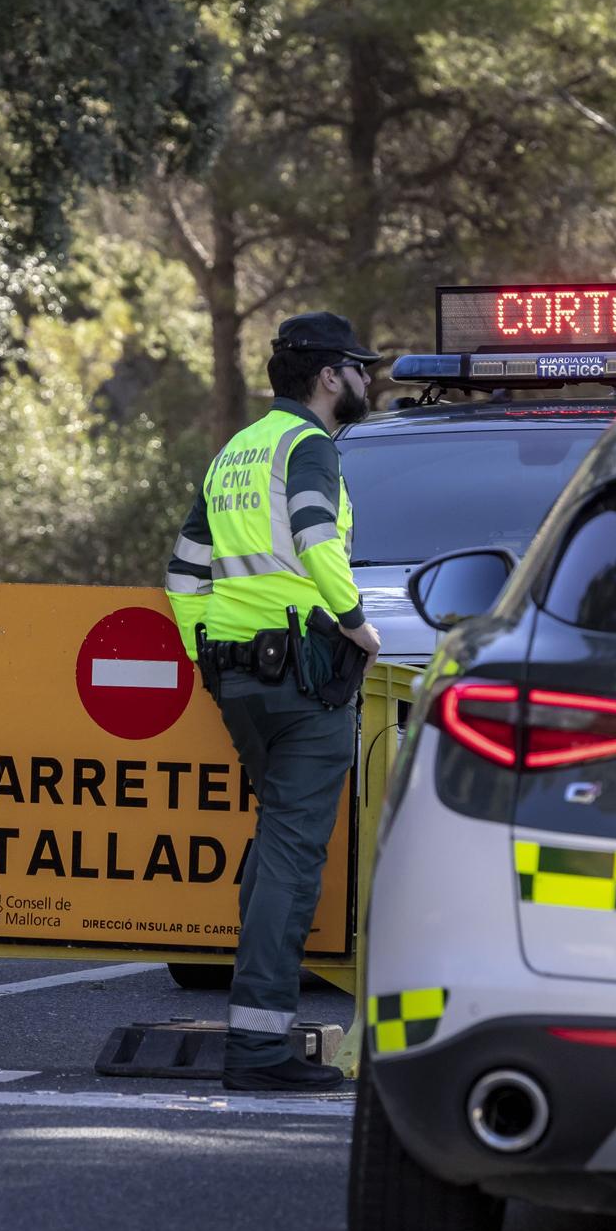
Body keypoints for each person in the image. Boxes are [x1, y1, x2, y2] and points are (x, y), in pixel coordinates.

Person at [165, 311, 383, 1092]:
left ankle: (255, 1029)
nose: (367, 378)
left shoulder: (237, 449)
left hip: (241, 678)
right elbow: (317, 536)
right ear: (330, 376)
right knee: (292, 853)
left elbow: (184, 570)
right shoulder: (310, 446)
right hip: (306, 675)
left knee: (273, 844)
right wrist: (360, 625)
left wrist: (204, 653)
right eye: (359, 366)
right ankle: (257, 1046)